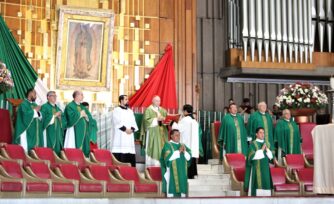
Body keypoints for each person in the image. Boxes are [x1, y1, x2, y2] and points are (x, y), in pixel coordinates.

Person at [160, 129, 191, 198]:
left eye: (179, 135)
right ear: (171, 136)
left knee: (182, 195)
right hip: (171, 172)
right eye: (176, 135)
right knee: (172, 196)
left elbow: (189, 158)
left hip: (182, 172)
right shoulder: (167, 145)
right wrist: (178, 151)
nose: (178, 137)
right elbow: (167, 158)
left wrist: (185, 152)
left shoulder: (183, 145)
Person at [140, 95, 168, 167]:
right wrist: (156, 119)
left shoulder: (163, 110)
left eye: (159, 101)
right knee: (154, 148)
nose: (158, 102)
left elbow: (167, 119)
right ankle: (152, 166)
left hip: (162, 133)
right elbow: (146, 121)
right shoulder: (149, 110)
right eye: (156, 101)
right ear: (152, 101)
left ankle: (162, 166)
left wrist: (167, 120)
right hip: (153, 133)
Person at [244, 127, 273, 196]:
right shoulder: (253, 144)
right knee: (258, 186)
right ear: (256, 134)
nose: (262, 134)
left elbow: (271, 157)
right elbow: (251, 157)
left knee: (266, 185)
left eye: (263, 132)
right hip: (256, 169)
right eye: (260, 132)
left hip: (265, 169)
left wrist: (267, 150)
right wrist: (262, 150)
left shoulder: (267, 143)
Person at [64, 91, 93, 157]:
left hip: (84, 131)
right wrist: (80, 114)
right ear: (76, 96)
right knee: (75, 145)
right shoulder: (70, 106)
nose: (83, 96)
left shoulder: (82, 106)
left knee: (84, 145)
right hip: (74, 130)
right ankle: (75, 157)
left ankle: (84, 158)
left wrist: (86, 116)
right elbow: (70, 117)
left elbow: (89, 116)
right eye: (82, 95)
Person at [111, 95, 138, 167]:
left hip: (129, 136)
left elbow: (133, 122)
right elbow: (116, 121)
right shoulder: (116, 110)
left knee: (130, 151)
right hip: (121, 135)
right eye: (126, 99)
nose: (127, 100)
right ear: (121, 101)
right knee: (120, 150)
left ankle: (130, 171)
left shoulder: (130, 111)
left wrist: (132, 129)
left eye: (127, 99)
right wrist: (126, 130)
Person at [174, 104, 200, 179]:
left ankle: (187, 174)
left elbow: (178, 129)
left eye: (183, 111)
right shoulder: (194, 121)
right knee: (192, 158)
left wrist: (173, 123)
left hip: (187, 142)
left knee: (187, 157)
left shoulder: (185, 120)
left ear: (185, 111)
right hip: (193, 144)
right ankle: (192, 174)